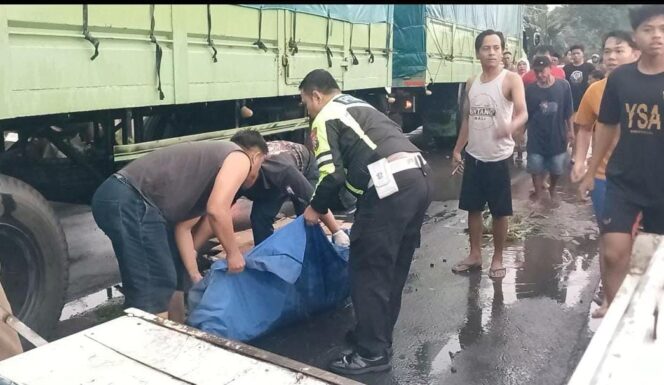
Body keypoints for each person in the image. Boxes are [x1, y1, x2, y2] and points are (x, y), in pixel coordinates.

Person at [298, 69, 433, 375]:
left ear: (316, 96)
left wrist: (315, 209)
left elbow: (331, 175)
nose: (307, 110)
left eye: (305, 102)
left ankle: (372, 354)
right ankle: (376, 338)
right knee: (393, 267)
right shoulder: (356, 105)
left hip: (392, 186)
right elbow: (361, 163)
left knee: (367, 269)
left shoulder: (324, 118)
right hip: (418, 177)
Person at [91, 130, 267, 321]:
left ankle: (178, 329)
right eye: (261, 164)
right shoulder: (240, 158)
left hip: (125, 199)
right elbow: (217, 210)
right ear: (256, 156)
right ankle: (154, 346)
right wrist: (233, 254)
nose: (257, 172)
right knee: (154, 284)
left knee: (171, 275)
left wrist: (192, 272)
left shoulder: (209, 169)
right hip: (131, 199)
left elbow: (183, 228)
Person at [579, 4, 664, 318]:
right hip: (623, 179)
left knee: (656, 258)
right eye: (648, 29)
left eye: (663, 29)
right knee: (614, 253)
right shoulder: (621, 79)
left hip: (661, 184)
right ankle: (616, 314)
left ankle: (653, 318)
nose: (656, 36)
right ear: (637, 36)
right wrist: (590, 171)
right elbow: (607, 127)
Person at [571, 30, 640, 318]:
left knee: (641, 242)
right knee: (610, 240)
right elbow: (584, 127)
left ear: (636, 53)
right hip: (604, 178)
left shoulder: (652, 88)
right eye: (607, 51)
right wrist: (579, 161)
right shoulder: (595, 91)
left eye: (619, 50)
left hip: (645, 178)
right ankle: (611, 301)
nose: (611, 57)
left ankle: (638, 299)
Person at [451, 30, 528, 280]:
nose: (492, 52)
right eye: (486, 48)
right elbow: (467, 119)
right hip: (474, 156)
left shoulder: (511, 79)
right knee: (473, 209)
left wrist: (511, 126)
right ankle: (475, 255)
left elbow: (523, 113)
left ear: (502, 51)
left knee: (499, 212)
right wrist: (457, 149)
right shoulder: (472, 82)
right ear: (478, 53)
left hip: (498, 158)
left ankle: (497, 258)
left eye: (496, 47)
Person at [240, 140, 350, 246]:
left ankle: (311, 253)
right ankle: (264, 255)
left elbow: (315, 200)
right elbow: (224, 209)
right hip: (272, 178)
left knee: (307, 214)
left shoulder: (282, 169)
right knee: (259, 216)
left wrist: (336, 232)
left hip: (305, 167)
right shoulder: (233, 175)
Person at [525, 56, 574, 206]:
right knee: (535, 165)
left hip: (557, 134)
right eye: (537, 72)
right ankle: (538, 193)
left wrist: (571, 131)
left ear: (550, 68)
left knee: (557, 167)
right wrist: (521, 133)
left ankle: (552, 188)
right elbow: (526, 114)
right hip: (536, 135)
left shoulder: (563, 86)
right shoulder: (531, 90)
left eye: (543, 71)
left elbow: (568, 110)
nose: (540, 75)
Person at [563, 44, 596, 113]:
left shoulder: (590, 67)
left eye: (578, 53)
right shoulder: (566, 68)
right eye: (573, 54)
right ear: (571, 55)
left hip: (587, 100)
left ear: (582, 54)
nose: (576, 55)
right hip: (572, 101)